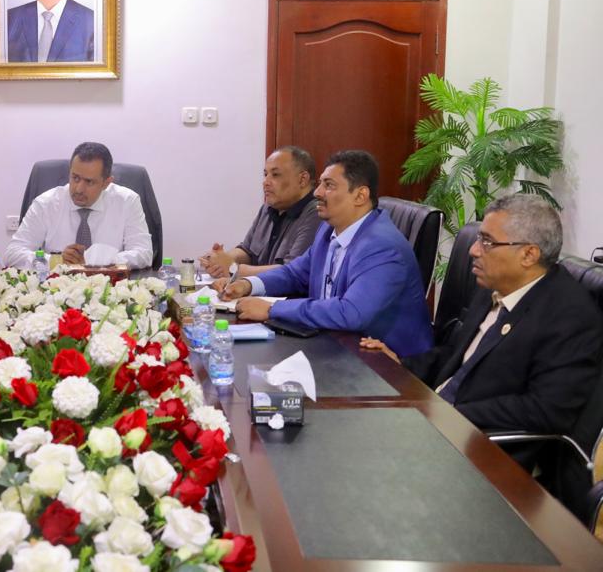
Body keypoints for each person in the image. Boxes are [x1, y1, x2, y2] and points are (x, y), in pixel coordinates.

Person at [361, 194, 603, 465]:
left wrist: (449, 412)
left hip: (483, 450)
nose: (474, 250)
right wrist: (400, 365)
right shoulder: (496, 286)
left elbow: (545, 410)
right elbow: (456, 356)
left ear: (528, 254)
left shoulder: (570, 317)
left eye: (487, 242)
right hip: (436, 420)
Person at [220, 150, 433, 356]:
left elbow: (351, 312)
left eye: (329, 185)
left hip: (385, 364)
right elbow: (295, 273)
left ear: (360, 195)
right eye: (321, 183)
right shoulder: (329, 229)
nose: (317, 192)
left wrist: (272, 309)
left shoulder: (382, 246)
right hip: (333, 344)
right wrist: (249, 285)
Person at [3, 142, 153, 269]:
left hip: (111, 288)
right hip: (56, 289)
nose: (79, 189)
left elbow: (144, 253)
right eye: (75, 178)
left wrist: (98, 259)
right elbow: (12, 253)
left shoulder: (127, 202)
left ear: (106, 183)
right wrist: (56, 260)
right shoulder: (46, 204)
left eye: (89, 182)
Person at [200, 146, 320, 279]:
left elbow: (292, 271)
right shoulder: (268, 208)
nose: (265, 182)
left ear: (302, 179)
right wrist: (222, 259)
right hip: (254, 289)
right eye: (265, 174)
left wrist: (234, 269)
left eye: (275, 175)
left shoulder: (317, 213)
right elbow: (247, 251)